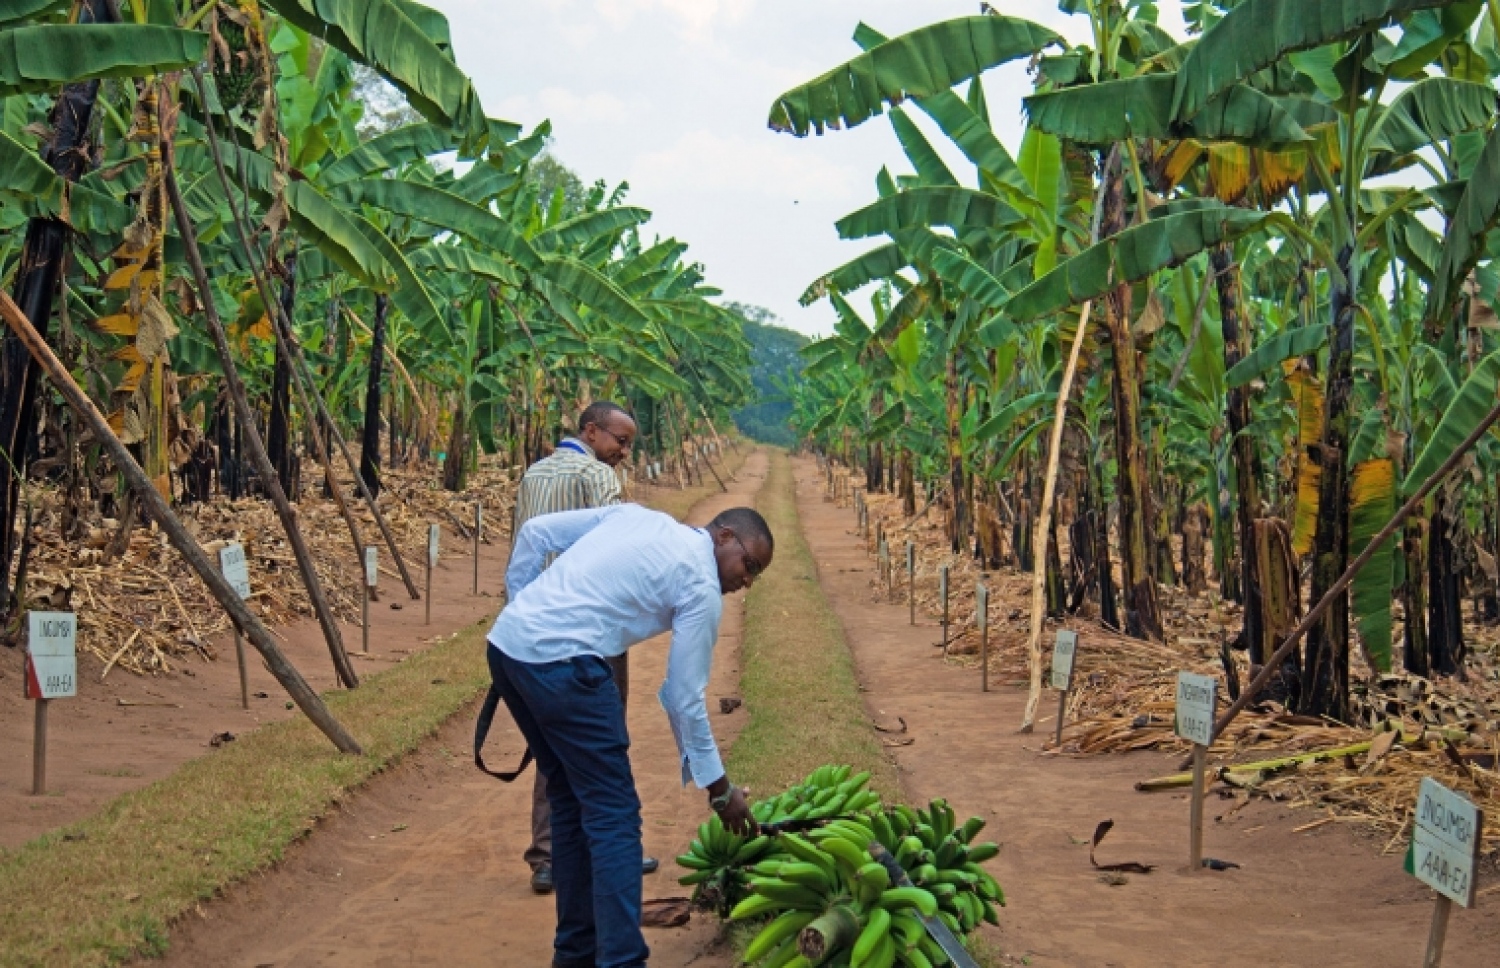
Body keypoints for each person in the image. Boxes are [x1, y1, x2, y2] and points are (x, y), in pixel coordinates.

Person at [486, 503, 771, 968]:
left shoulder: (640, 517)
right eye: (750, 565)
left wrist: (523, 612)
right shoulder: (701, 584)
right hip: (569, 665)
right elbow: (683, 696)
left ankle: (575, 953)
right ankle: (621, 959)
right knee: (613, 815)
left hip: (507, 650)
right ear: (723, 537)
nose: (747, 581)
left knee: (570, 799)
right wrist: (719, 790)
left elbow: (536, 532)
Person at [508, 400, 646, 893]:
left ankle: (548, 856)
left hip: (536, 627)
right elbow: (617, 550)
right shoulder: (599, 478)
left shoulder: (533, 475)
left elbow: (521, 548)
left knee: (551, 744)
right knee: (603, 738)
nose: (623, 453)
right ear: (591, 432)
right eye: (620, 441)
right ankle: (612, 843)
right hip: (592, 624)